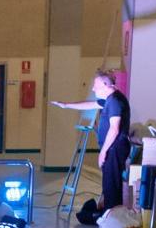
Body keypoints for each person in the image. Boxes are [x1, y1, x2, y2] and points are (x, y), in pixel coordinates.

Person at [52, 69, 132, 210]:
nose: (93, 89)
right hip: (112, 149)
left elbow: (114, 129)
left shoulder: (115, 101)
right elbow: (90, 104)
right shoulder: (109, 99)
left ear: (106, 85)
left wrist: (103, 152)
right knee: (109, 185)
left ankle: (112, 215)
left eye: (96, 85)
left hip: (114, 149)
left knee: (112, 186)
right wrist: (66, 105)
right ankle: (109, 214)